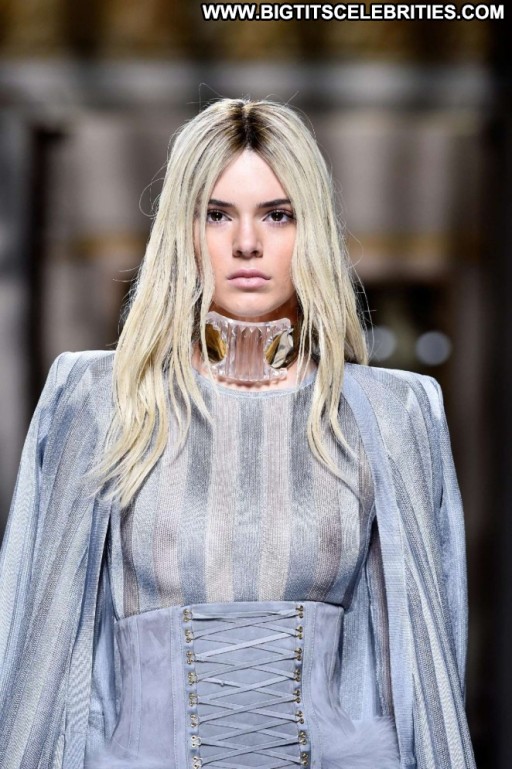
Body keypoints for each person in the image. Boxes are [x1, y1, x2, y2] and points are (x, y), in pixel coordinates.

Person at [0, 98, 476, 769]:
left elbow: (426, 675)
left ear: (310, 229)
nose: (246, 243)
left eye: (277, 214)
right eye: (217, 214)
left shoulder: (391, 412)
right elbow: (41, 655)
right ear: (183, 230)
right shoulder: (100, 399)